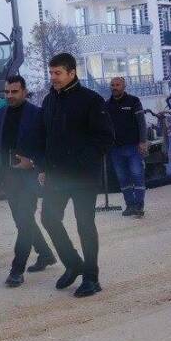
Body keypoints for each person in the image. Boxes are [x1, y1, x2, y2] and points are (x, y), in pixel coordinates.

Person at [37, 53, 115, 298]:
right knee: (49, 218)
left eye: (58, 73)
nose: (53, 78)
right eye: (51, 73)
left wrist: (80, 162)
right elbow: (45, 139)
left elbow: (105, 138)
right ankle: (73, 263)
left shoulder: (91, 100)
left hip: (82, 177)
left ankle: (91, 278)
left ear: (72, 73)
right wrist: (43, 168)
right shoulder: (49, 101)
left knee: (85, 226)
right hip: (57, 177)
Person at [0, 75, 55, 288]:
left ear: (24, 92)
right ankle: (45, 254)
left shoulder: (37, 115)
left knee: (24, 222)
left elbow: (48, 146)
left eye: (14, 92)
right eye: (7, 92)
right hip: (7, 178)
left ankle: (17, 270)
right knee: (22, 221)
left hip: (29, 178)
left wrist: (33, 163)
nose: (10, 96)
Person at [105, 77, 148, 218]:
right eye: (112, 85)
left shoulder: (134, 101)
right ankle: (130, 205)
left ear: (124, 86)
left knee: (137, 175)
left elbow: (141, 123)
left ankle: (139, 205)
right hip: (115, 149)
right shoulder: (107, 105)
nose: (114, 87)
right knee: (123, 178)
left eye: (117, 85)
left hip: (133, 147)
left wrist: (143, 141)